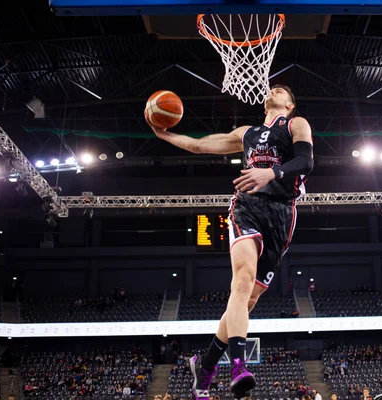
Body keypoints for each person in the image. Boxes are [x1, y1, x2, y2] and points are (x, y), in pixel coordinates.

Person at [146, 84, 313, 399]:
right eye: (272, 88)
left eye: (282, 90)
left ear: (289, 103)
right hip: (246, 207)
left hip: (281, 216)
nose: (274, 89)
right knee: (241, 282)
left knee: (247, 302)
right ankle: (238, 367)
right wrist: (165, 135)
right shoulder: (246, 132)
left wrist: (272, 173)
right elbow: (199, 145)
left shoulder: (295, 124)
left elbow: (306, 162)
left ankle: (203, 367)